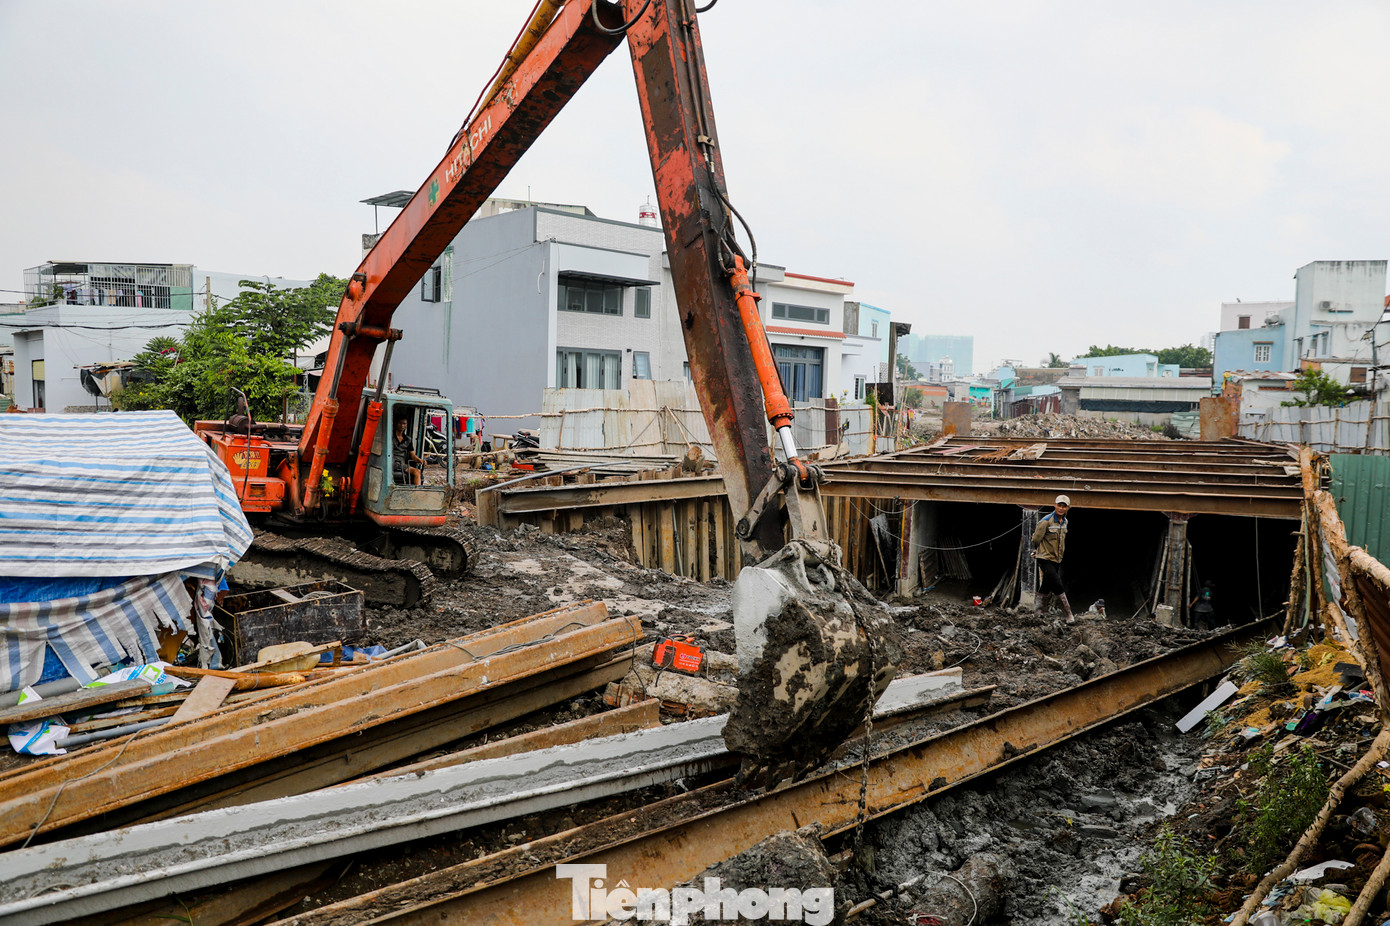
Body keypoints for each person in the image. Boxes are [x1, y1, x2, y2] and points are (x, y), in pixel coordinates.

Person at [1032, 494, 1073, 623]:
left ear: (1067, 508)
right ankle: (1068, 614)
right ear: (1054, 505)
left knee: (1047, 584)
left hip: (1057, 558)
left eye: (1064, 506)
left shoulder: (1065, 522)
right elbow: (1035, 539)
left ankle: (1039, 611)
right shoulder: (1046, 521)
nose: (1061, 508)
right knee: (1057, 583)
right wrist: (1038, 550)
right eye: (1059, 505)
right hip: (1044, 557)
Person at [393, 415, 424, 485]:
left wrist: (419, 460)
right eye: (400, 423)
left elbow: (412, 455)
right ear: (396, 423)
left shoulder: (408, 439)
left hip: (401, 464)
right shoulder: (389, 436)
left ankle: (417, 491)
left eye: (404, 424)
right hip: (389, 463)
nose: (402, 425)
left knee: (417, 472)